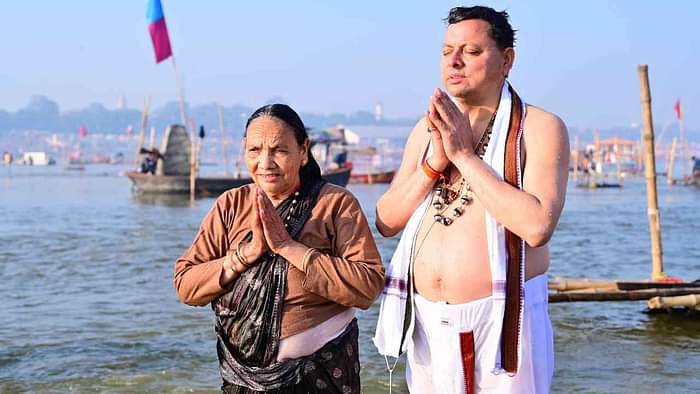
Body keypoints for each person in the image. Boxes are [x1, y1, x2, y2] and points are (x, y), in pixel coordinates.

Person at [374, 6, 568, 394]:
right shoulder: (427, 130)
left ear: (506, 60)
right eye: (447, 52)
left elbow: (536, 226)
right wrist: (433, 165)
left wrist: (464, 156)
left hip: (503, 321)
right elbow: (386, 220)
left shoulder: (541, 128)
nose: (455, 61)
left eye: (471, 51)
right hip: (426, 321)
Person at [174, 104, 385, 393]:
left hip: (321, 374)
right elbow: (186, 285)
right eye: (254, 150)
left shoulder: (336, 205)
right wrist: (244, 256)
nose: (266, 162)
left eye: (279, 150)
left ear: (303, 151)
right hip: (242, 380)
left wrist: (289, 247)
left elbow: (368, 286)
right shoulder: (230, 205)